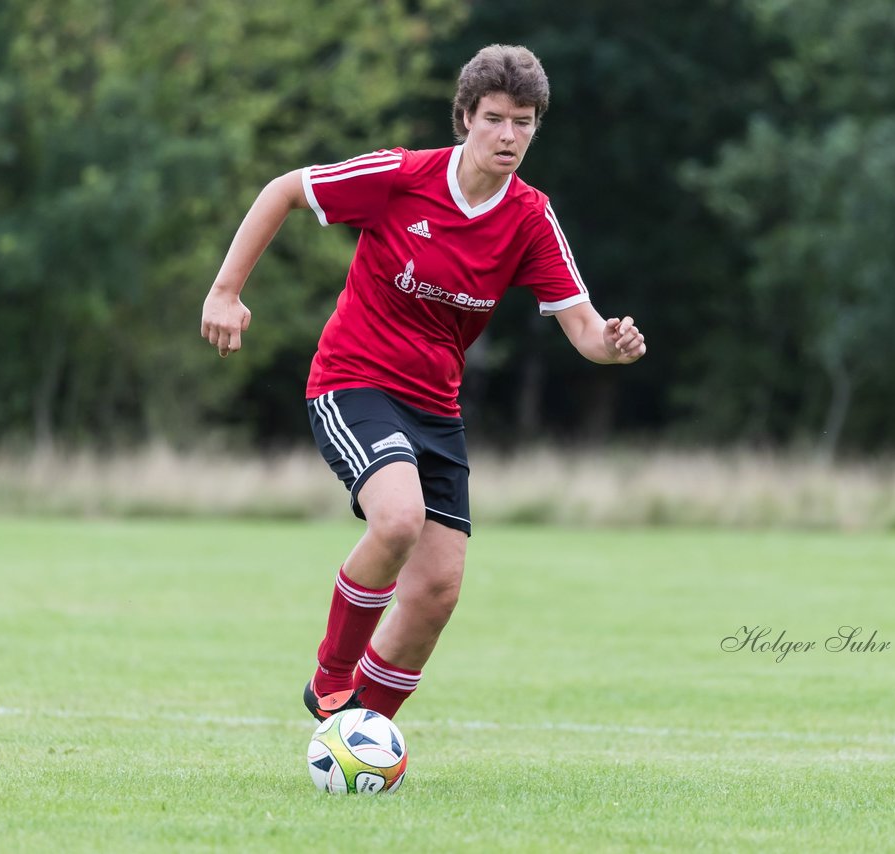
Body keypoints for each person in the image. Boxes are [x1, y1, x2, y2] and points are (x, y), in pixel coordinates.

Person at [200, 45, 644, 721]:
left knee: (437, 590)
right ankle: (331, 676)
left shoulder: (529, 217)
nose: (508, 135)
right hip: (353, 381)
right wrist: (226, 291)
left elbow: (584, 330)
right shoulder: (401, 177)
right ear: (465, 117)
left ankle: (357, 736)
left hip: (435, 409)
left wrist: (612, 345)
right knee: (399, 519)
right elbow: (286, 190)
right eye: (494, 118)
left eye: (523, 122)